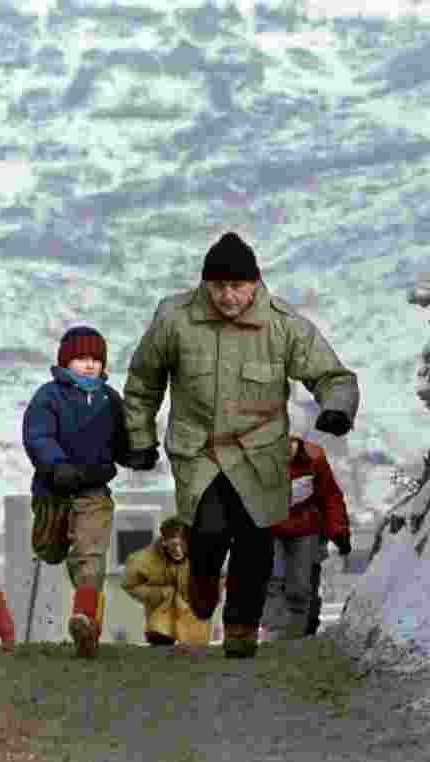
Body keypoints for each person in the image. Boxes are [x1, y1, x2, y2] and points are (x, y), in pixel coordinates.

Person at [122, 231, 359, 658]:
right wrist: (139, 438)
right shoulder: (174, 320)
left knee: (254, 541)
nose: (228, 297)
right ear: (205, 285)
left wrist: (336, 409)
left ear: (254, 284)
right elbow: (143, 382)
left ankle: (241, 627)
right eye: (219, 287)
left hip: (260, 453)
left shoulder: (284, 326)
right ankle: (202, 579)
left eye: (238, 286)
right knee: (209, 531)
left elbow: (332, 376)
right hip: (199, 451)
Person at [22, 325, 130, 658]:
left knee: (91, 553)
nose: (89, 365)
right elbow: (37, 436)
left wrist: (136, 453)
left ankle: (85, 620)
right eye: (81, 358)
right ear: (66, 362)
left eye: (95, 359)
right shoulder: (48, 396)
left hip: (94, 489)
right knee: (53, 550)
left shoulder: (111, 400)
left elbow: (123, 441)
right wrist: (55, 465)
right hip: (54, 491)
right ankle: (88, 615)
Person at [261, 434, 351, 640]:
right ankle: (274, 633)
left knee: (300, 585)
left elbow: (330, 496)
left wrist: (339, 532)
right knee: (272, 580)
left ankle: (295, 635)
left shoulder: (315, 459)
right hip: (271, 529)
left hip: (306, 529)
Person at [121, 517, 212, 651]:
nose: (179, 550)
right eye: (174, 545)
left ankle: (190, 636)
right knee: (161, 629)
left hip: (192, 609)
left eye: (183, 544)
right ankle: (161, 632)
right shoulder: (143, 560)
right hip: (160, 612)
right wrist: (157, 594)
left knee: (196, 641)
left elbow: (218, 577)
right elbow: (129, 584)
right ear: (164, 542)